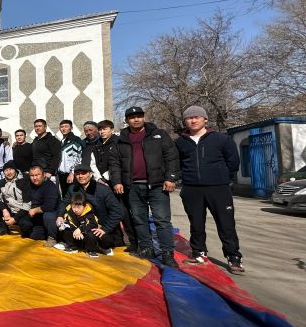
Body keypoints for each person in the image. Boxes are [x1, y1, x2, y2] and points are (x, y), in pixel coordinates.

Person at [175, 105, 244, 274]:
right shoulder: (179, 142)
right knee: (196, 223)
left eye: (197, 117)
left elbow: (233, 162)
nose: (193, 120)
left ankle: (233, 257)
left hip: (218, 188)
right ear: (185, 121)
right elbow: (176, 164)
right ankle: (199, 252)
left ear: (205, 119)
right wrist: (184, 178)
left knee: (226, 224)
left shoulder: (221, 139)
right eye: (189, 118)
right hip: (192, 189)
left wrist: (223, 178)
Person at [117, 107, 180, 268]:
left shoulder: (158, 134)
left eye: (139, 116)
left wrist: (171, 178)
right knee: (139, 219)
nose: (136, 119)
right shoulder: (122, 139)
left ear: (144, 118)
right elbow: (115, 162)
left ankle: (167, 253)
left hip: (157, 186)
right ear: (127, 120)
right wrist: (117, 181)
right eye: (132, 117)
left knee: (162, 220)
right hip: (133, 186)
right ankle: (146, 248)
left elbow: (171, 156)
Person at [58, 165, 122, 249]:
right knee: (60, 225)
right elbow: (65, 203)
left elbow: (117, 211)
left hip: (100, 226)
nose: (80, 176)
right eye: (77, 173)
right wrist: (60, 215)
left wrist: (105, 229)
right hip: (80, 225)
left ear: (91, 174)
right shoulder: (72, 188)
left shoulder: (103, 190)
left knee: (104, 240)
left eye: (83, 173)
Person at [95, 119, 134, 248]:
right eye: (100, 129)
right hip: (102, 182)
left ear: (111, 129)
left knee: (123, 211)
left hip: (117, 182)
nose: (102, 132)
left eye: (105, 129)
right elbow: (94, 163)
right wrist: (99, 178)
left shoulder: (118, 142)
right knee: (109, 211)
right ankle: (117, 239)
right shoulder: (98, 144)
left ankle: (133, 240)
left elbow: (119, 163)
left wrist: (109, 177)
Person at [56, 192, 115, 258]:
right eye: (73, 207)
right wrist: (75, 230)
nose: (75, 210)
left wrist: (80, 229)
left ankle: (93, 250)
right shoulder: (69, 211)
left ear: (84, 206)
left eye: (78, 207)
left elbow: (92, 224)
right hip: (78, 235)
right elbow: (69, 222)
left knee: (94, 235)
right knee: (66, 229)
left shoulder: (89, 213)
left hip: (89, 233)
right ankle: (73, 246)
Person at [0, 160, 33, 236]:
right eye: (6, 170)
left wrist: (14, 219)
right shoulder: (1, 182)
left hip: (21, 212)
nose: (9, 172)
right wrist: (4, 210)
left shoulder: (24, 182)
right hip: (9, 211)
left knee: (27, 227)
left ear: (15, 170)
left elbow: (27, 205)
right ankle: (3, 227)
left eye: (11, 169)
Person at [26, 165, 61, 242]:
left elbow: (50, 206)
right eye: (32, 175)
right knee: (32, 235)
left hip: (52, 213)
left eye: (37, 175)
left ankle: (52, 237)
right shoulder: (29, 185)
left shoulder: (50, 186)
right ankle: (43, 231)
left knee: (48, 216)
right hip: (37, 217)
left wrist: (35, 210)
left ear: (44, 174)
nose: (35, 178)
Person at [57, 120, 83, 196]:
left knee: (73, 196)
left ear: (71, 128)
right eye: (62, 127)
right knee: (65, 196)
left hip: (71, 174)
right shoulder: (62, 141)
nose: (63, 128)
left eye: (66, 126)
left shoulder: (75, 140)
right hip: (62, 174)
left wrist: (72, 173)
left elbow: (78, 157)